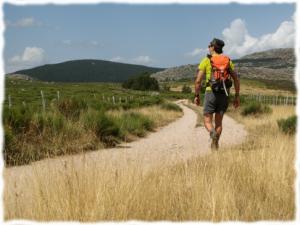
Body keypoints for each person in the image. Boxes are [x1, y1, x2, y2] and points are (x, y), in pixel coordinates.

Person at [194, 38, 240, 150]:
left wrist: (197, 95)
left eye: (209, 45)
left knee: (207, 120)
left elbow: (198, 81)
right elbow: (236, 79)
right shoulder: (228, 61)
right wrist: (237, 96)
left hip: (210, 93)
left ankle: (212, 133)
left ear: (213, 47)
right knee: (219, 122)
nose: (208, 47)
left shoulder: (206, 60)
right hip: (224, 94)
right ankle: (215, 145)